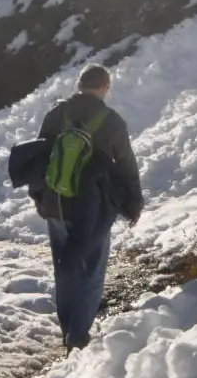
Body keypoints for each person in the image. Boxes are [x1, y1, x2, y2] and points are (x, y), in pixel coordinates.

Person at [29, 65, 144, 350]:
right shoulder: (112, 120)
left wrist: (39, 197)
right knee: (91, 269)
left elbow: (39, 156)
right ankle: (78, 336)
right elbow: (127, 164)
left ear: (79, 85)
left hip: (56, 202)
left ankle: (67, 328)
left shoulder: (57, 114)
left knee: (64, 266)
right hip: (95, 208)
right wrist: (134, 203)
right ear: (105, 87)